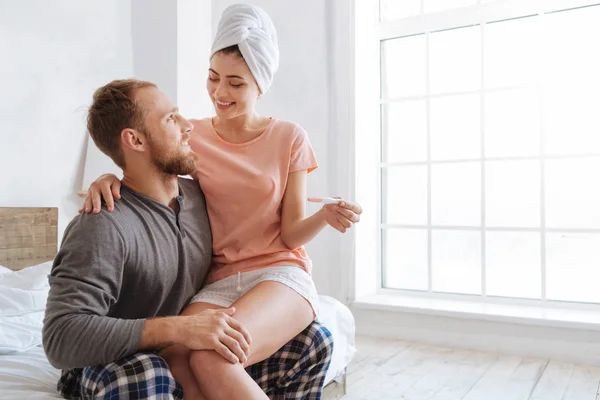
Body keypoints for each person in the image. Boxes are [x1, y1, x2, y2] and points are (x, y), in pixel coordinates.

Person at [82, 3, 362, 399]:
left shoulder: (289, 138)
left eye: (235, 82)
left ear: (260, 85)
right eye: (213, 78)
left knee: (212, 357)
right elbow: (144, 164)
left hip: (278, 274)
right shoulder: (190, 134)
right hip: (218, 282)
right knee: (177, 360)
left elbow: (292, 231)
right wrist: (110, 177)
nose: (219, 92)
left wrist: (324, 216)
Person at [43, 79, 335, 400]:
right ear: (135, 139)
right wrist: (176, 329)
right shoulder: (102, 225)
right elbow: (60, 337)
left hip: (183, 350)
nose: (187, 126)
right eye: (171, 119)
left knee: (312, 341)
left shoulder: (200, 196)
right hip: (114, 361)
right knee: (147, 372)